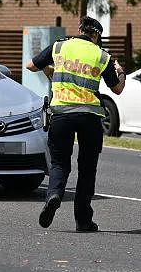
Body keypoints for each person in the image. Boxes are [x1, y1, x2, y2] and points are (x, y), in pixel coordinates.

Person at [26, 16, 126, 232]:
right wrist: (121, 71)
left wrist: (50, 71)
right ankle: (83, 220)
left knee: (60, 163)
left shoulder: (60, 47)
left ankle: (54, 195)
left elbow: (31, 65)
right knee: (87, 169)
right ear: (97, 35)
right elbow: (117, 89)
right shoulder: (103, 56)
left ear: (79, 29)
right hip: (90, 118)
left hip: (61, 114)